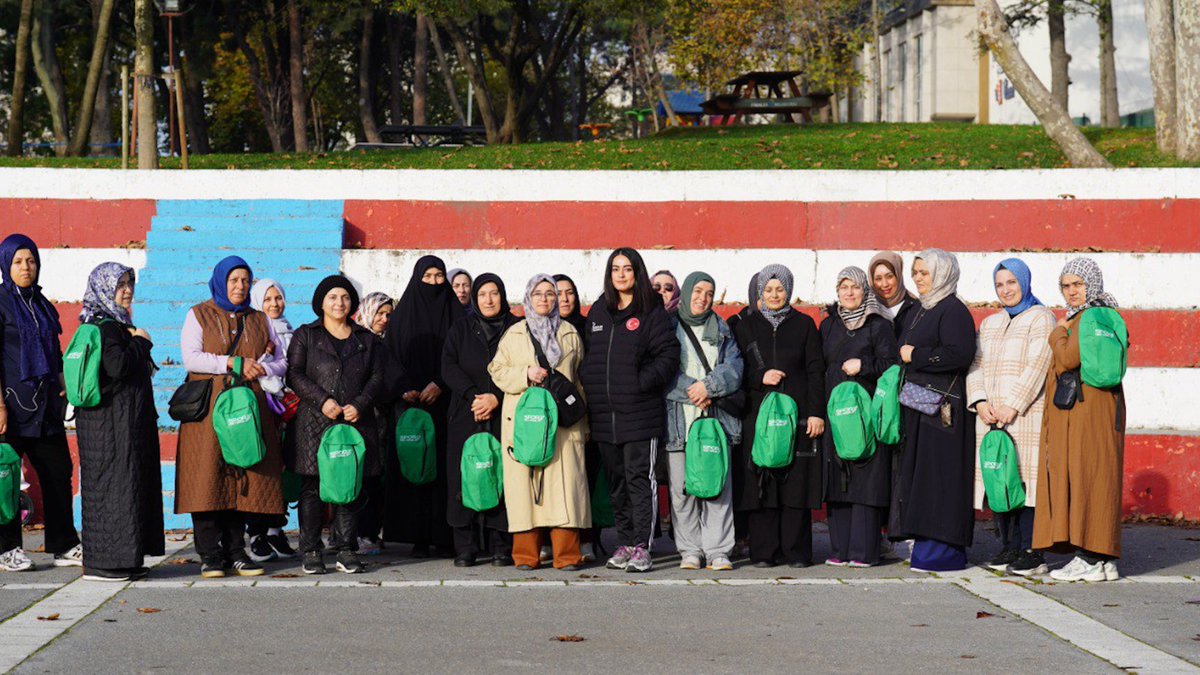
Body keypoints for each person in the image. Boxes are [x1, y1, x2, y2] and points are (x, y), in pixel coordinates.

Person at [177, 256, 286, 578]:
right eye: (233, 280)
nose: (239, 286)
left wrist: (262, 367)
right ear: (221, 281)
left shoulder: (259, 319)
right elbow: (191, 358)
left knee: (244, 475)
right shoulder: (198, 314)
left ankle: (238, 551)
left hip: (247, 409)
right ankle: (210, 554)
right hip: (209, 411)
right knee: (207, 478)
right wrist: (233, 363)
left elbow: (281, 361)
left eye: (245, 280)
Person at [580, 248, 680, 573]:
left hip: (640, 414)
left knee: (640, 480)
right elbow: (590, 358)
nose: (621, 275)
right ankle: (623, 542)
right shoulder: (598, 311)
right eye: (615, 269)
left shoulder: (651, 312)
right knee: (616, 482)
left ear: (637, 272)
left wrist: (640, 382)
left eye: (627, 269)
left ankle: (642, 546)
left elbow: (667, 356)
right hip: (605, 416)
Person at [489, 274, 591, 570]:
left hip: (564, 424)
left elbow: (579, 381)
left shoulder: (570, 333)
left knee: (565, 489)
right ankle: (525, 556)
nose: (545, 299)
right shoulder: (514, 334)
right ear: (528, 299)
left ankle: (567, 555)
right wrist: (525, 374)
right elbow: (496, 370)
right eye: (538, 294)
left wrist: (584, 425)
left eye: (550, 294)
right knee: (524, 488)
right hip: (526, 422)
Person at [286, 276, 386, 575]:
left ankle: (346, 548)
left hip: (356, 422)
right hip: (315, 423)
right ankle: (311, 549)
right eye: (332, 297)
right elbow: (294, 374)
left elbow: (378, 377)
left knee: (350, 486)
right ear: (321, 302)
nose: (339, 303)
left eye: (344, 297)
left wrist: (360, 403)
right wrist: (322, 400)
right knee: (313, 487)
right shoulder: (306, 335)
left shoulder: (365, 339)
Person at [1036, 258, 1126, 582]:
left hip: (1086, 411)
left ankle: (1087, 558)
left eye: (1078, 284)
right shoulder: (1111, 315)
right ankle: (1105, 559)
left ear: (1092, 285)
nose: (1072, 291)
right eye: (1066, 285)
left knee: (1085, 477)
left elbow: (1068, 358)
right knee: (1103, 477)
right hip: (1109, 408)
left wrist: (1057, 332)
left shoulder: (1082, 319)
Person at [74, 263, 164, 581]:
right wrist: (141, 342)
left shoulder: (110, 323)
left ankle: (123, 559)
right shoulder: (107, 326)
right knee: (115, 489)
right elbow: (117, 366)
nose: (127, 290)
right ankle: (105, 564)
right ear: (104, 288)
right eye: (119, 284)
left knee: (122, 489)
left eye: (129, 283)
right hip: (111, 426)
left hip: (114, 424)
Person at [966, 259, 1055, 576]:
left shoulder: (1041, 318)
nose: (1006, 290)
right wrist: (979, 401)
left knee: (1024, 482)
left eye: (1011, 283)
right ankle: (1009, 546)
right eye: (1000, 284)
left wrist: (1013, 405)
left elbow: (1038, 365)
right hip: (990, 416)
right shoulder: (990, 324)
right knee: (998, 479)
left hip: (1024, 415)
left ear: (1025, 283)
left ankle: (1032, 551)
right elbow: (974, 364)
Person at [733, 264, 825, 568]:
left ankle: (796, 552)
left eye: (780, 288)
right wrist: (761, 376)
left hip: (796, 417)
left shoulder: (804, 325)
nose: (774, 295)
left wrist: (816, 413)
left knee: (796, 483)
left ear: (789, 290)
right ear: (760, 292)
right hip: (758, 417)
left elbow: (815, 371)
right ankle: (764, 552)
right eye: (768, 289)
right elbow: (736, 370)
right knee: (762, 481)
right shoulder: (746, 326)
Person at [0, 234, 82, 572]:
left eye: (31, 260)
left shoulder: (42, 304)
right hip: (11, 405)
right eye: (18, 261)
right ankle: (7, 549)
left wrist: (69, 391)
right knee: (4, 477)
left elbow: (55, 354)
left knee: (58, 471)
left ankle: (64, 544)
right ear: (6, 264)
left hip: (45, 406)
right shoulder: (1, 303)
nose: (26, 267)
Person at [893, 249, 977, 573]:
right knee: (921, 477)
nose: (917, 278)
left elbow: (960, 353)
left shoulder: (953, 310)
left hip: (945, 413)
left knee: (941, 478)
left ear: (942, 274)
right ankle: (924, 546)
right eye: (915, 272)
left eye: (924, 273)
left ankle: (942, 551)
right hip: (919, 406)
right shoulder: (921, 310)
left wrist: (918, 355)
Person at [820, 267, 898, 568]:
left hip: (866, 414)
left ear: (864, 290)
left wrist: (863, 364)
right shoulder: (829, 326)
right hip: (836, 413)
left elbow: (891, 364)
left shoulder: (878, 325)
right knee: (839, 478)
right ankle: (840, 549)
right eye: (843, 287)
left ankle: (865, 551)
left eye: (854, 287)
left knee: (865, 480)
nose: (849, 293)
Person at [664, 272, 743, 571]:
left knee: (717, 487)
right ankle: (690, 550)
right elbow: (662, 371)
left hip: (714, 421)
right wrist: (693, 391)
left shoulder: (721, 328)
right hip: (680, 421)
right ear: (685, 292)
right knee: (682, 491)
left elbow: (735, 368)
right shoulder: (669, 327)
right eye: (697, 291)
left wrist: (708, 387)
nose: (703, 298)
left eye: (709, 293)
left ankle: (718, 550)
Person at [383, 256, 460, 557]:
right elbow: (389, 358)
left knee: (443, 468)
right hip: (410, 406)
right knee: (413, 464)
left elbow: (460, 355)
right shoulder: (402, 317)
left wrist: (440, 383)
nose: (433, 282)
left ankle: (445, 534)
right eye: (426, 276)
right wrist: (404, 387)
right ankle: (414, 534)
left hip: (446, 405)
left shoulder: (456, 315)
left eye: (439, 276)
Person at [441, 274, 517, 567]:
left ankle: (501, 544)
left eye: (494, 293)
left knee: (501, 475)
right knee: (464, 476)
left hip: (503, 412)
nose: (488, 299)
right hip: (465, 411)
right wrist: (474, 396)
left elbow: (523, 366)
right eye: (482, 294)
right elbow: (448, 365)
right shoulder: (461, 328)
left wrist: (495, 397)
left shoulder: (515, 328)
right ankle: (466, 546)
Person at [245, 278, 298, 563]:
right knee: (263, 470)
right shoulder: (256, 329)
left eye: (278, 298)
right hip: (265, 407)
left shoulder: (289, 330)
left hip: (288, 410)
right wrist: (275, 385)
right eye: (267, 299)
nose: (274, 304)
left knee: (284, 470)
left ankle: (276, 529)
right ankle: (256, 532)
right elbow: (256, 367)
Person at [555, 272, 600, 563]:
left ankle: (588, 539)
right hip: (555, 416)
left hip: (588, 411)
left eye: (569, 292)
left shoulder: (589, 328)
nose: (564, 298)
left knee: (587, 479)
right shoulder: (541, 329)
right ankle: (554, 537)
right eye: (558, 293)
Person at [353, 291, 394, 554]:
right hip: (362, 415)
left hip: (383, 418)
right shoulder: (357, 340)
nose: (384, 319)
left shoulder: (388, 342)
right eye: (379, 313)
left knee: (375, 477)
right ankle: (355, 534)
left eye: (388, 314)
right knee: (359, 475)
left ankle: (370, 532)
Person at [869, 251, 920, 334]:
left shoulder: (916, 308)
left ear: (898, 275)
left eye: (889, 276)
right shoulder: (867, 309)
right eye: (878, 279)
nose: (885, 284)